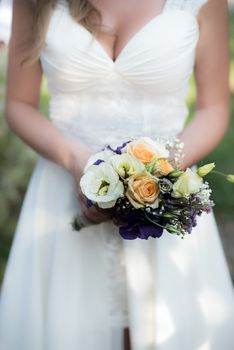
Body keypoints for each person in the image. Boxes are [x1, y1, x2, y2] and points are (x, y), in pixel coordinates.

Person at [0, 0, 234, 349]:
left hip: (165, 197)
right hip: (62, 199)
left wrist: (161, 170)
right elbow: (19, 105)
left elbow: (214, 106)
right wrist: (76, 160)